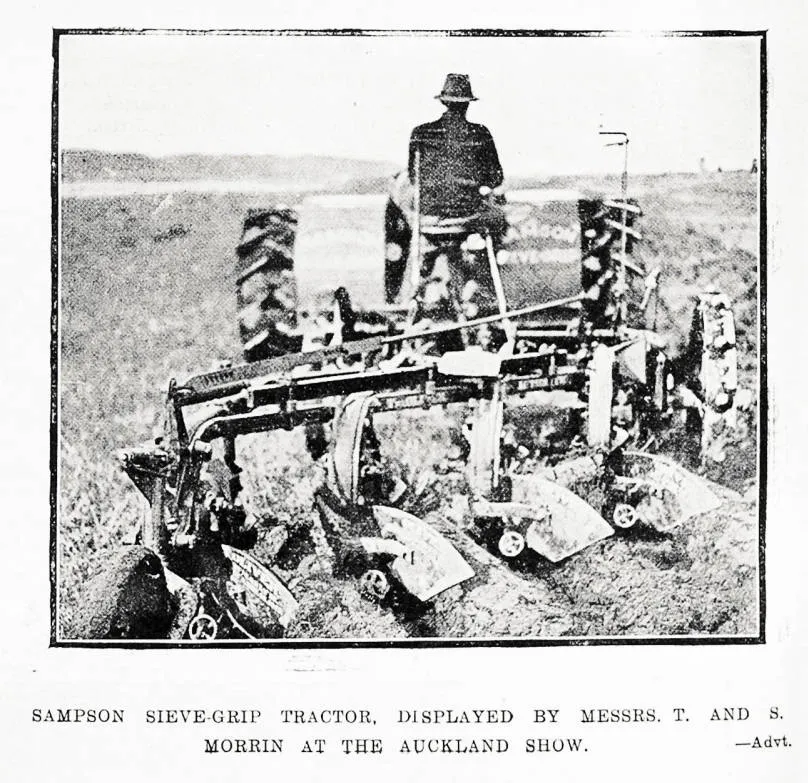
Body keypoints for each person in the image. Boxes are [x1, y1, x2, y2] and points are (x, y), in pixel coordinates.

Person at [408, 73, 504, 220]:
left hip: (429, 209)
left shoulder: (420, 132)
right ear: (467, 104)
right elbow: (496, 178)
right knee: (499, 216)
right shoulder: (480, 133)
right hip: (469, 209)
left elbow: (414, 177)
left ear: (444, 102)